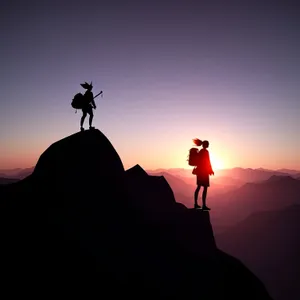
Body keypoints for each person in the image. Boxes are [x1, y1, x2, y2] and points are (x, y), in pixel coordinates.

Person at [194, 140, 214, 210]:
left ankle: (196, 204)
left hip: (200, 172)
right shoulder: (205, 152)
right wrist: (210, 170)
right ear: (206, 145)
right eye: (208, 144)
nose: (208, 145)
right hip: (204, 172)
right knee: (205, 188)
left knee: (198, 187)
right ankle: (204, 205)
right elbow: (208, 161)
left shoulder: (200, 152)